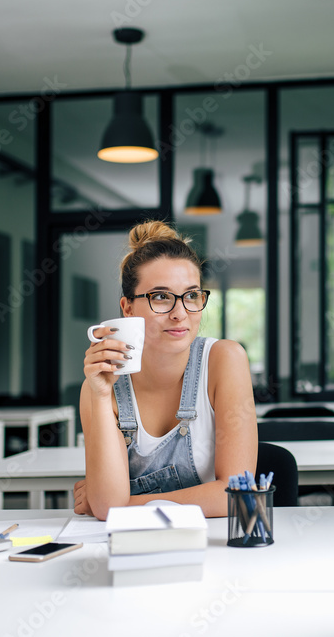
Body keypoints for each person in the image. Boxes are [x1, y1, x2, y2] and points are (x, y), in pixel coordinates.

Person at [73, 220, 258, 519]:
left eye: (192, 295)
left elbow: (238, 495)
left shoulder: (224, 360)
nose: (180, 313)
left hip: (216, 549)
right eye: (160, 296)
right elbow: (108, 507)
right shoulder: (100, 387)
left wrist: (126, 504)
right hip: (131, 548)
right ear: (128, 308)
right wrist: (100, 394)